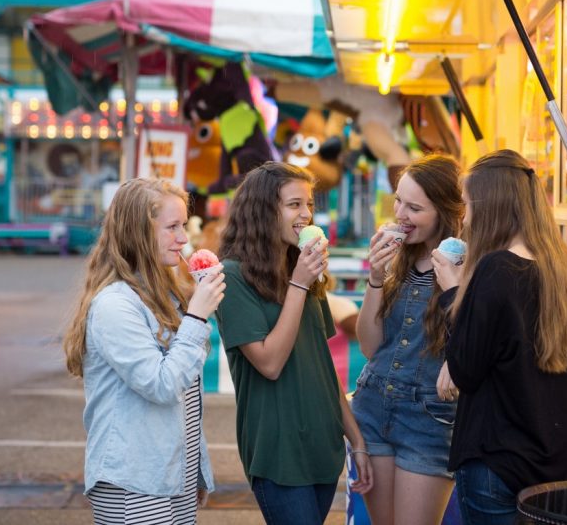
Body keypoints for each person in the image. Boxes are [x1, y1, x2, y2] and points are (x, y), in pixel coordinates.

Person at [431, 149, 567, 525]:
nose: (465, 218)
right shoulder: (562, 267)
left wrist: (452, 292)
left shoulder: (497, 267)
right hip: (552, 461)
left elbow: (465, 370)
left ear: (492, 207)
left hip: (495, 461)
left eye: (468, 206)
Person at [215, 161, 373, 524]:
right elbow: (269, 364)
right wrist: (299, 285)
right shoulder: (232, 276)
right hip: (279, 451)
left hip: (322, 445)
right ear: (263, 210)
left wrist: (356, 441)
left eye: (310, 205)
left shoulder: (302, 268)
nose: (306, 214)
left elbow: (323, 365)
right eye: (294, 205)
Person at [63, 178, 226, 524]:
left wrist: (194, 467)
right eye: (172, 227)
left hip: (170, 474)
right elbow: (161, 385)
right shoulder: (115, 305)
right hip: (133, 478)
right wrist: (197, 315)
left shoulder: (164, 294)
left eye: (183, 225)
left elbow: (186, 399)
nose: (184, 238)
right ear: (137, 232)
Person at [352, 154, 463, 525]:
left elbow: (477, 341)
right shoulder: (397, 260)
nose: (400, 213)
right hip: (372, 405)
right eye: (398, 200)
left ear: (445, 213)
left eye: (414, 207)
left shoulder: (467, 265)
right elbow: (369, 347)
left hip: (429, 417)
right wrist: (376, 276)